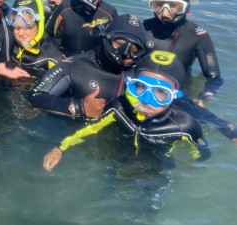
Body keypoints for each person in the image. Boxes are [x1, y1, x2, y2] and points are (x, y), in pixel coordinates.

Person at [43, 50, 210, 172]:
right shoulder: (119, 108)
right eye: (139, 87)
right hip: (118, 161)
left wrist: (189, 167)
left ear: (174, 96)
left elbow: (201, 155)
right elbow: (91, 128)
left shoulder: (184, 126)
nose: (145, 99)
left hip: (156, 170)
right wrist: (60, 147)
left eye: (161, 93)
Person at [29, 14, 146, 121]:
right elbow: (35, 96)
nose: (124, 53)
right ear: (106, 37)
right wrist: (79, 107)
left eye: (133, 51)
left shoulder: (139, 76)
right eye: (119, 44)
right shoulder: (73, 65)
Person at [143, 0, 223, 107]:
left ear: (186, 7)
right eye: (158, 5)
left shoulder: (198, 35)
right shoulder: (142, 28)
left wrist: (203, 99)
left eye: (174, 6)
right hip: (142, 90)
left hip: (177, 96)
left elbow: (215, 78)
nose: (165, 12)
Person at [7, 0, 64, 78]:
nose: (21, 34)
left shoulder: (51, 55)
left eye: (27, 28)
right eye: (17, 28)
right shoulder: (9, 46)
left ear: (39, 26)